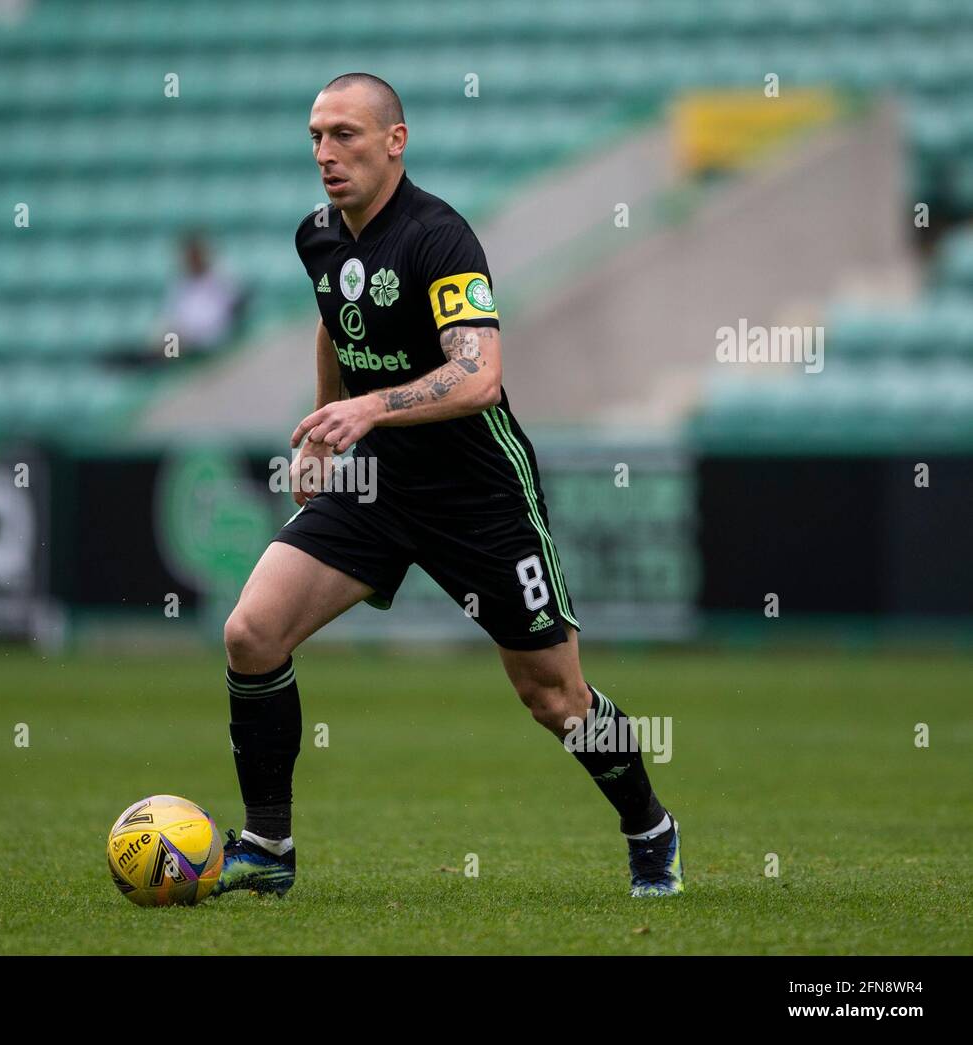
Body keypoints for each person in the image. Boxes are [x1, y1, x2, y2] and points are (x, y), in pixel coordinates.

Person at [213, 73, 683, 900]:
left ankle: (649, 826)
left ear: (396, 141)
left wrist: (367, 407)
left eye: (346, 135)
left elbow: (480, 377)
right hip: (379, 486)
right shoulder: (319, 236)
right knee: (252, 632)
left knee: (553, 695)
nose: (326, 153)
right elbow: (335, 320)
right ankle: (268, 846)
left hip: (479, 494)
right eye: (316, 136)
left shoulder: (440, 238)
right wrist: (326, 428)